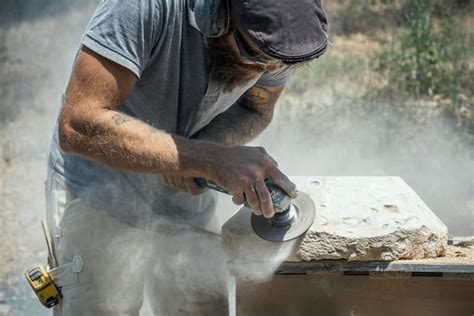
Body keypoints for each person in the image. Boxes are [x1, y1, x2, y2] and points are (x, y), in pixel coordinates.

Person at [45, 0, 328, 314]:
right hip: (98, 193)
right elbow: (78, 123)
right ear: (214, 16)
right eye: (258, 56)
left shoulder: (271, 43)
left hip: (186, 204)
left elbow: (256, 108)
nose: (271, 70)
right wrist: (208, 160)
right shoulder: (140, 8)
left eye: (283, 62)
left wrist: (207, 153)